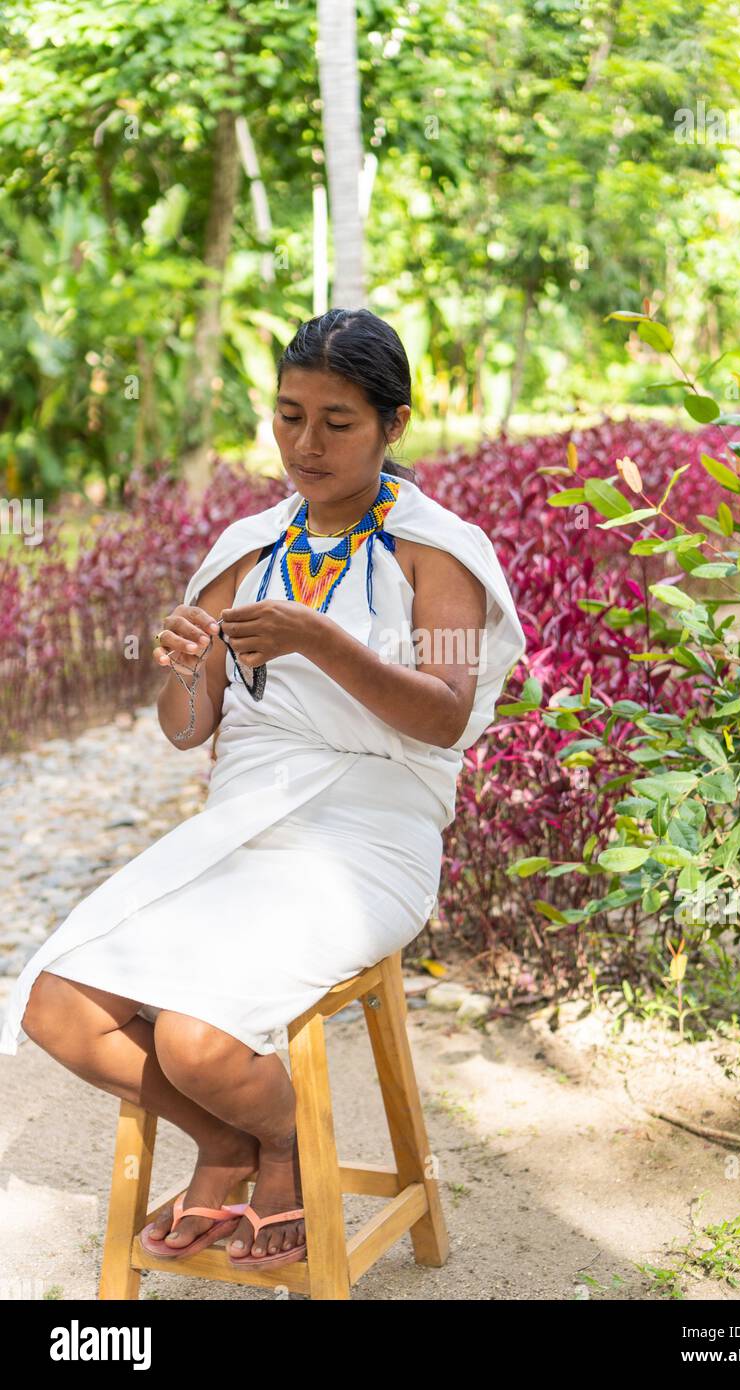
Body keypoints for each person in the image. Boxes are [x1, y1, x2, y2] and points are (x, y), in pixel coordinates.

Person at [0, 307, 526, 1271]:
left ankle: (280, 1145)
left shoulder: (435, 552)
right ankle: (229, 1141)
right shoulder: (249, 548)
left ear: (393, 425)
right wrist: (182, 665)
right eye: (289, 416)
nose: (305, 445)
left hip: (369, 836)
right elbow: (185, 728)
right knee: (53, 1003)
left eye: (337, 421)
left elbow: (448, 713)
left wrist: (320, 641)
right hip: (241, 831)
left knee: (201, 1039)